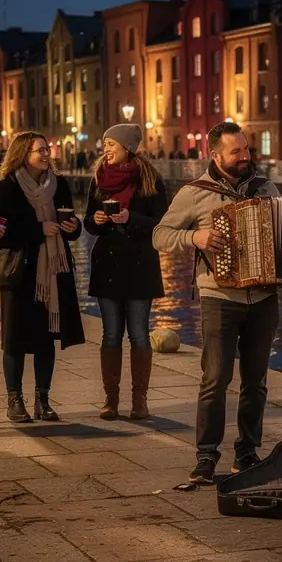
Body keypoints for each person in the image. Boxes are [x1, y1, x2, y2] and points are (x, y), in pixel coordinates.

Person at [153, 121, 282, 484]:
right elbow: (160, 235)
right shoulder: (195, 193)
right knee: (216, 378)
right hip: (219, 298)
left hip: (265, 298)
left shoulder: (265, 188)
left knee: (255, 381)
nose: (244, 156)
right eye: (236, 151)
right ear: (216, 154)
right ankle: (206, 456)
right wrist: (197, 236)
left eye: (246, 149)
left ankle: (247, 451)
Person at [0, 132, 84, 424]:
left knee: (46, 338)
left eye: (47, 149)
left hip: (54, 270)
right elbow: (1, 232)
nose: (47, 155)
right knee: (14, 339)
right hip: (21, 271)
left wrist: (72, 226)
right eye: (40, 150)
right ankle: (14, 399)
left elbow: (71, 229)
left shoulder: (60, 185)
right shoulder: (6, 188)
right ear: (22, 153)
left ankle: (42, 399)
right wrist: (39, 229)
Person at [84, 124, 169, 420]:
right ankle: (111, 400)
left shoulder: (151, 180)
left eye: (111, 144)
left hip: (139, 266)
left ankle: (139, 400)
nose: (105, 149)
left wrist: (130, 218)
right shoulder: (98, 179)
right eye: (105, 143)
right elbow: (88, 224)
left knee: (138, 334)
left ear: (127, 147)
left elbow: (161, 224)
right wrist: (95, 219)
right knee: (110, 335)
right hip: (107, 265)